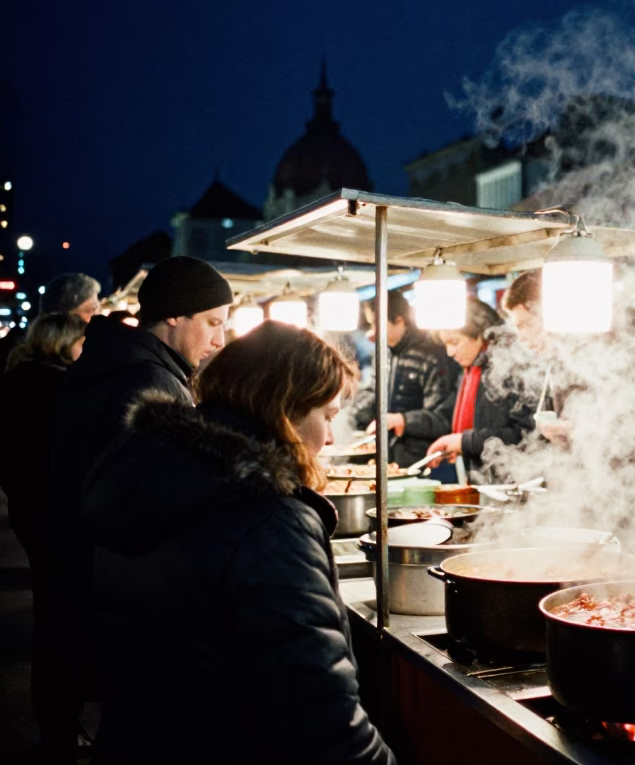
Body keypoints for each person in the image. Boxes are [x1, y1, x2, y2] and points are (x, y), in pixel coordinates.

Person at [80, 321, 395, 765]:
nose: (328, 438)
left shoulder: (151, 468)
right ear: (286, 409)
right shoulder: (269, 518)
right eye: (327, 416)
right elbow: (318, 713)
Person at [44, 255, 233, 763]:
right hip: (118, 586)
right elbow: (157, 501)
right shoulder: (148, 382)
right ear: (176, 315)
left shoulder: (113, 360)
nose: (220, 339)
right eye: (214, 323)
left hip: (83, 570)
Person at [0, 313, 87, 763]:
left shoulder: (20, 378)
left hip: (30, 512)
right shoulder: (55, 387)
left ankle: (55, 724)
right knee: (60, 622)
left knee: (52, 617)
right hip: (53, 517)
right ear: (64, 343)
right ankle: (58, 730)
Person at [427, 299, 536, 482]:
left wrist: (465, 442)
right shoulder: (470, 371)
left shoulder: (509, 368)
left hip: (514, 484)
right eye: (445, 344)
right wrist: (459, 443)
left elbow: (526, 434)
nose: (449, 352)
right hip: (483, 482)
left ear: (481, 334)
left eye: (454, 342)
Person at [351, 288, 459, 467]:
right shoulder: (382, 354)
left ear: (399, 320)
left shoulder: (432, 356)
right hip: (390, 459)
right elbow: (373, 392)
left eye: (377, 324)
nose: (373, 331)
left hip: (426, 461)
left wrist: (403, 420)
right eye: (371, 325)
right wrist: (354, 407)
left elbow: (442, 417)